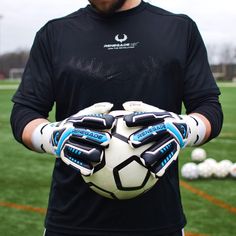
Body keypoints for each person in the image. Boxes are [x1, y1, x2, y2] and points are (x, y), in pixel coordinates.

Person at [10, 0, 223, 235]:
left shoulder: (179, 29)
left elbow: (209, 108)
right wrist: (51, 136)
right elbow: (24, 113)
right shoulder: (54, 34)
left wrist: (187, 129)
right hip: (71, 220)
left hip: (159, 220)